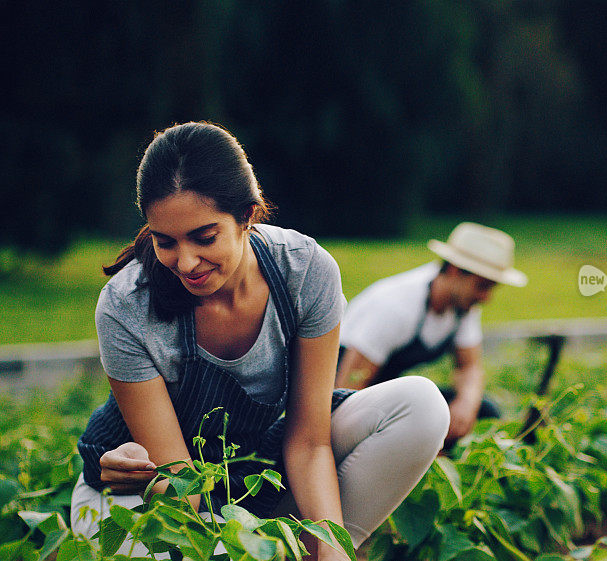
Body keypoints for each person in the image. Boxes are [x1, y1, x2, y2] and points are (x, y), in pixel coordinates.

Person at [71, 122, 450, 559]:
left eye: (204, 237)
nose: (186, 261)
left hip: (254, 474)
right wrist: (158, 485)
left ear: (248, 216)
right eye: (165, 242)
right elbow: (181, 486)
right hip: (145, 497)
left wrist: (331, 550)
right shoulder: (126, 306)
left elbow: (310, 442)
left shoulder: (304, 272)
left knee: (420, 405)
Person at [336, 222, 527, 448]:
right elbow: (349, 389)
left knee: (486, 411)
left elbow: (469, 367)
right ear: (455, 270)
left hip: (387, 391)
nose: (486, 298)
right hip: (350, 394)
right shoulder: (396, 307)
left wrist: (466, 402)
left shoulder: (463, 307)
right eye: (482, 286)